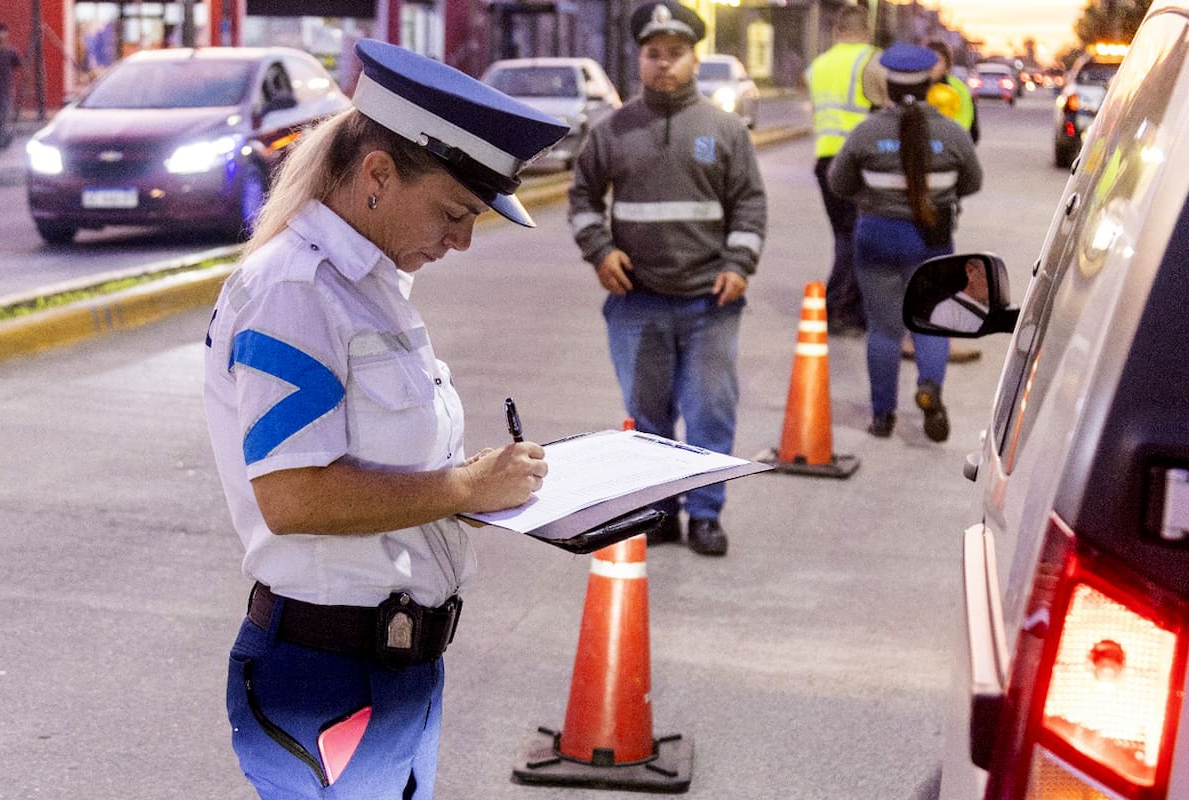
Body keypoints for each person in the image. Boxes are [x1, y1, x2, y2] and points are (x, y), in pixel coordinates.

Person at [202, 40, 568, 800]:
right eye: (454, 212)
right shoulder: (296, 292)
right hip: (328, 676)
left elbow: (400, 472)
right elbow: (294, 496)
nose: (463, 239)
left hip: (392, 672)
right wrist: (463, 489)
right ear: (377, 174)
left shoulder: (369, 284)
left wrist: (482, 489)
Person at [568, 1, 767, 556]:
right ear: (640, 60)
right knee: (649, 418)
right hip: (637, 303)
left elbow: (749, 204)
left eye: (675, 55)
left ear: (694, 60)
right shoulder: (612, 132)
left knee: (708, 415)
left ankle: (705, 514)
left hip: (710, 302)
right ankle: (661, 514)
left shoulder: (725, 130)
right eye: (654, 54)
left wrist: (738, 265)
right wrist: (600, 251)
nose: (664, 65)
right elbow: (582, 198)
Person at [827, 44, 982, 442]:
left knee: (883, 330)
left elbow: (839, 183)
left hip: (876, 236)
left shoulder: (867, 132)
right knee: (929, 324)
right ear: (932, 84)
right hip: (931, 239)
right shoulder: (951, 134)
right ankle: (929, 387)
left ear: (888, 86)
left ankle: (883, 417)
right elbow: (973, 182)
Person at [806, 5, 886, 336]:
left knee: (844, 236)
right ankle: (839, 310)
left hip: (825, 159)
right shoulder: (873, 59)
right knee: (858, 239)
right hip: (858, 161)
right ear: (867, 31)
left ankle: (845, 307)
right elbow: (884, 107)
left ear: (836, 32)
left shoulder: (818, 66)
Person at [926, 40, 979, 144]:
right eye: (927, 60)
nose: (931, 65)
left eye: (937, 60)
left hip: (951, 147)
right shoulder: (915, 88)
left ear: (947, 66)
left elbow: (972, 133)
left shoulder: (959, 90)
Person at [929, 258, 991, 333]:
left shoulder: (996, 308)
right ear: (970, 271)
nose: (994, 284)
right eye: (989, 276)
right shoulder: (946, 311)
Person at [0, 23, 22, 153]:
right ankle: (8, 134)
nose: (0, 35)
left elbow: (19, 65)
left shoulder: (12, 52)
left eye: (3, 32)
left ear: (7, 34)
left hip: (6, 90)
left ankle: (1, 144)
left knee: (3, 117)